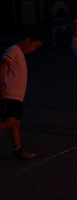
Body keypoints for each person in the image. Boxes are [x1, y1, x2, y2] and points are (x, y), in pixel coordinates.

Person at [0, 29, 43, 160]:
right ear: (27, 41)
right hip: (10, 94)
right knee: (9, 122)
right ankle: (18, 149)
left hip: (17, 96)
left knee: (15, 123)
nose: (34, 49)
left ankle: (18, 149)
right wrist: (2, 89)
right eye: (35, 46)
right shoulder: (12, 50)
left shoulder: (20, 54)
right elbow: (2, 68)